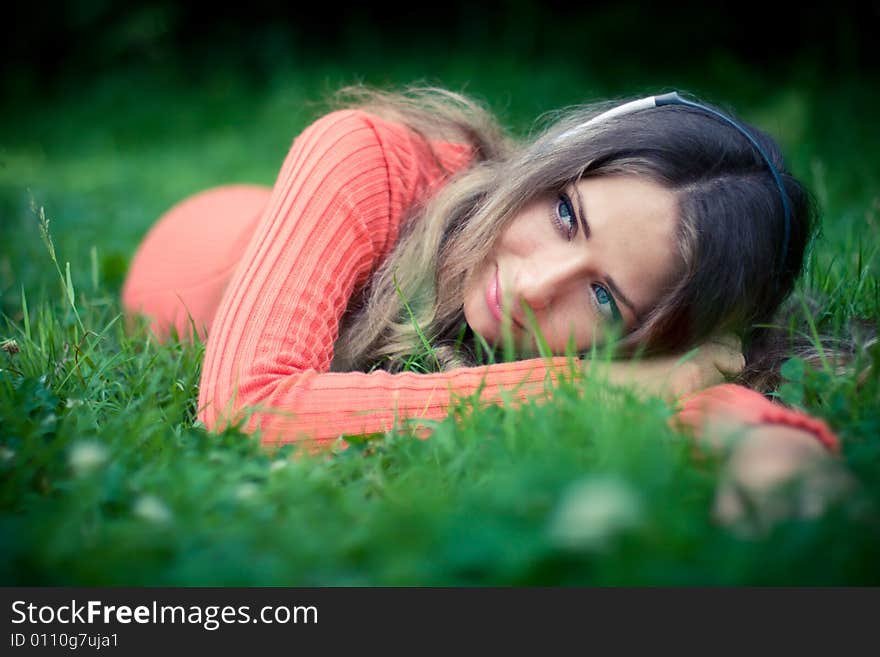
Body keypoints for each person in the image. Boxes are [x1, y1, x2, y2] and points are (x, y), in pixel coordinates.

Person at [122, 87, 846, 524]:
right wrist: (590, 385)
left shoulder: (638, 348)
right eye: (566, 215)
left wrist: (773, 449)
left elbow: (697, 382)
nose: (534, 288)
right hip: (196, 242)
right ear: (559, 156)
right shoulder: (365, 155)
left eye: (602, 294)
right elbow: (249, 409)